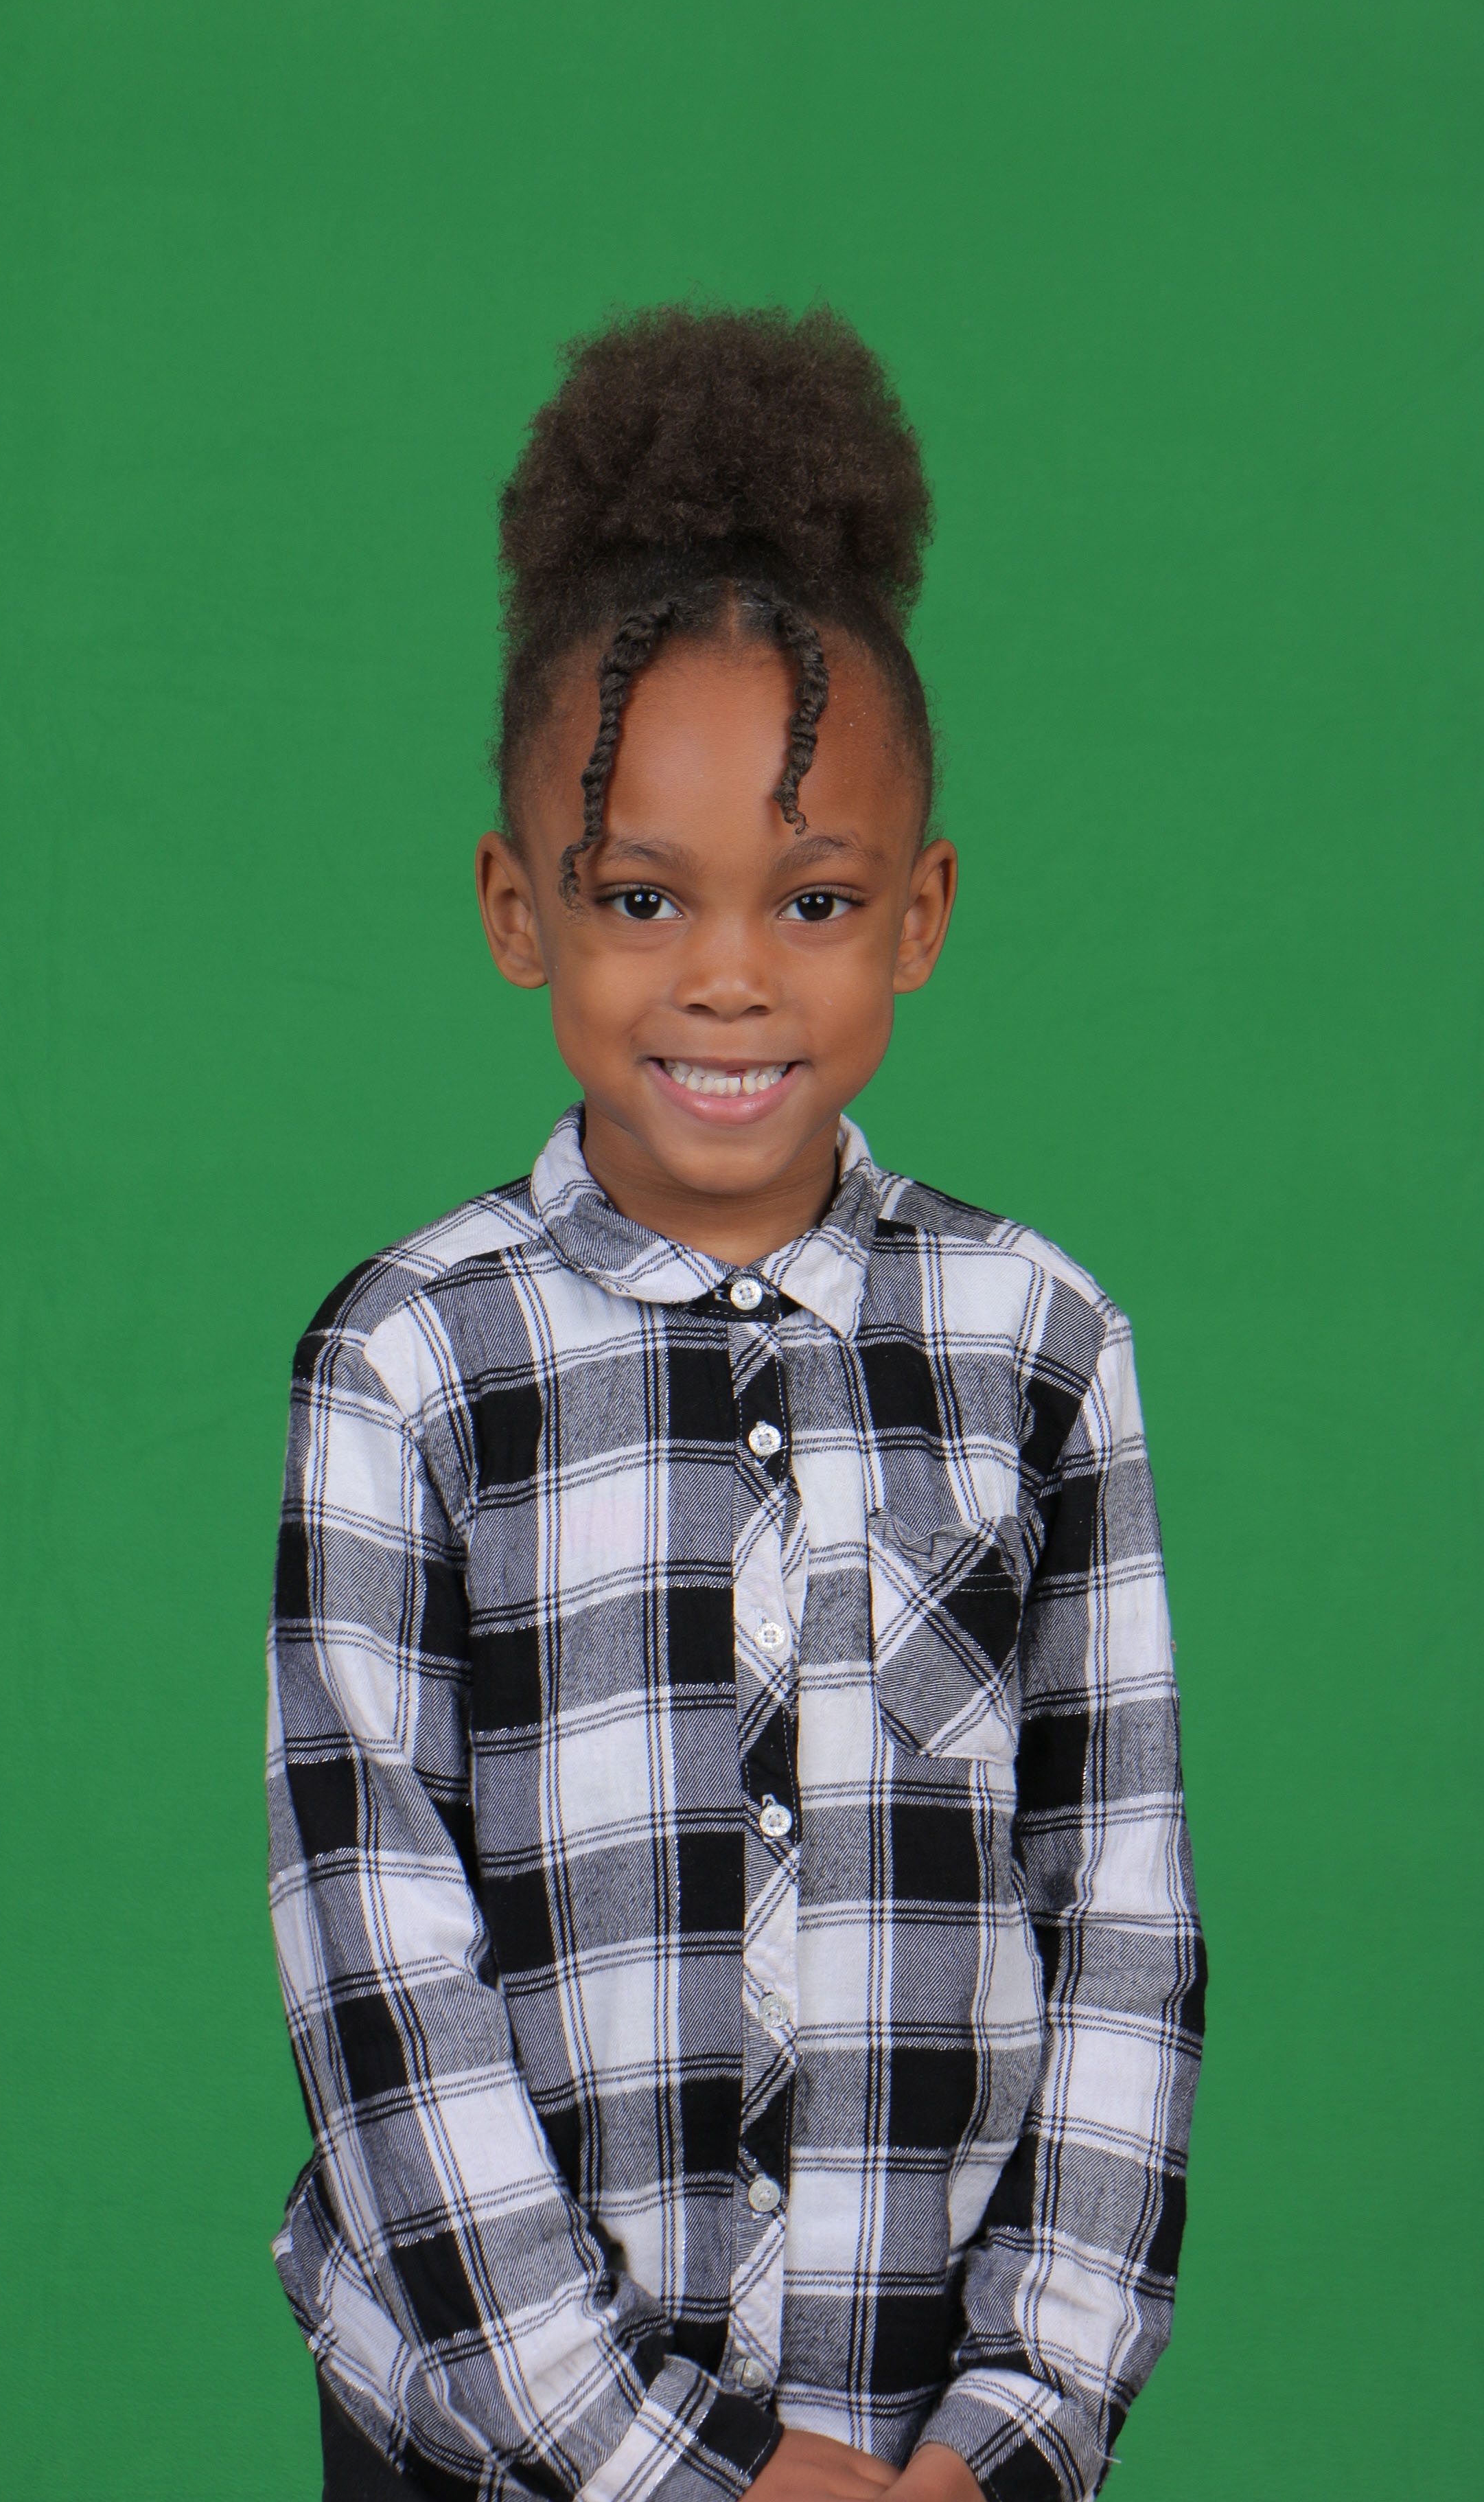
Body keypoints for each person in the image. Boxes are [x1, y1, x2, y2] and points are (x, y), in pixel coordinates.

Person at [267, 306, 1204, 2502]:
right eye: (638, 895)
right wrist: (667, 2463)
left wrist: (1018, 2422)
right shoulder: (410, 1363)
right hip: (496, 2449)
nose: (725, 973)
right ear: (518, 909)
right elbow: (380, 1976)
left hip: (917, 2450)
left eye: (813, 898)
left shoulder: (1041, 1347)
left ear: (919, 915)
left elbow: (1123, 1921)